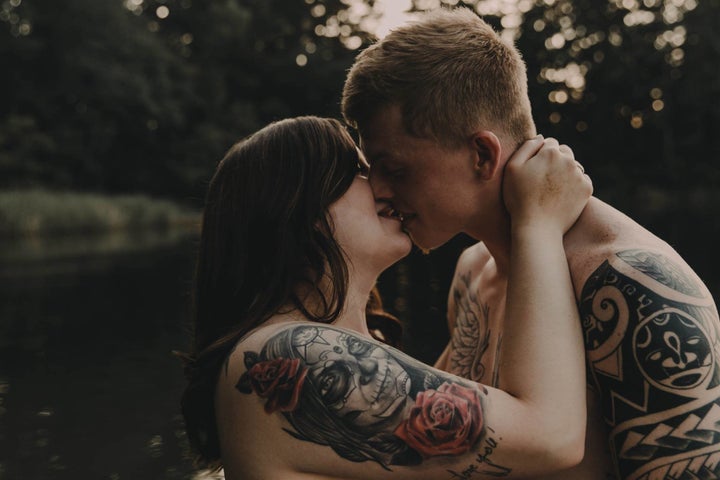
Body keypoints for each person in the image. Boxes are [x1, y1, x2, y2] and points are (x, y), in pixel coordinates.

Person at [341, 7, 720, 480]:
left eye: (395, 170)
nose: (377, 191)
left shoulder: (640, 290)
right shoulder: (473, 272)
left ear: (482, 154)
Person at [179, 115, 593, 479]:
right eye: (357, 171)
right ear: (298, 210)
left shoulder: (347, 349)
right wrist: (537, 224)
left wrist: (500, 263)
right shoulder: (284, 353)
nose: (382, 186)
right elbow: (551, 437)